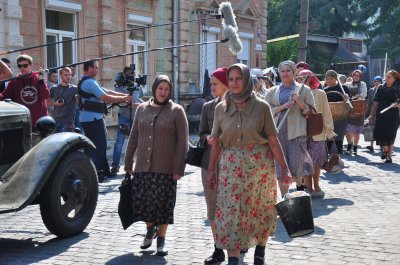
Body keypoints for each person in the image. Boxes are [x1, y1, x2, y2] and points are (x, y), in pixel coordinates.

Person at [207, 63, 291, 265]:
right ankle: (233, 260)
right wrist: (211, 170)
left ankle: (260, 250)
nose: (235, 83)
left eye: (239, 78)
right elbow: (217, 142)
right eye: (231, 79)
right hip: (229, 168)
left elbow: (272, 140)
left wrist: (284, 168)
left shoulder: (261, 106)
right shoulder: (221, 108)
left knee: (260, 208)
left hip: (259, 168)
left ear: (246, 80)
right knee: (230, 212)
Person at [124, 75, 188, 256]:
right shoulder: (142, 109)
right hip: (142, 167)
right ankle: (150, 228)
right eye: (160, 88)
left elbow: (182, 142)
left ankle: (161, 240)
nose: (163, 92)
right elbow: (134, 136)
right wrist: (128, 161)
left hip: (166, 168)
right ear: (154, 89)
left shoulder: (177, 111)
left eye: (167, 89)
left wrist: (178, 169)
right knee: (144, 204)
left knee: (164, 206)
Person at [264, 60, 315, 196]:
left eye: (288, 70)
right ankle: (285, 198)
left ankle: (299, 189)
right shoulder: (272, 91)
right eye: (282, 71)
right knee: (281, 167)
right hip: (278, 133)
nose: (285, 73)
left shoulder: (304, 89)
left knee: (296, 166)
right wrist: (281, 108)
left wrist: (299, 102)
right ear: (279, 73)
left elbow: (311, 112)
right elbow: (265, 110)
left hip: (296, 133)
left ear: (294, 72)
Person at [78, 59, 132, 182]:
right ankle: (95, 174)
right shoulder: (89, 83)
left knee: (100, 145)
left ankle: (105, 172)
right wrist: (124, 98)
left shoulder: (90, 82)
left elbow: (107, 91)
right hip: (92, 120)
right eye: (96, 67)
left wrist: (123, 97)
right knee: (99, 147)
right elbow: (105, 97)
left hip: (93, 118)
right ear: (90, 68)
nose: (98, 70)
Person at [198, 67, 229, 264]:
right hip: (209, 163)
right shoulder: (207, 107)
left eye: (215, 83)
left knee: (232, 205)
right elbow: (200, 133)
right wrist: (206, 138)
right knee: (212, 206)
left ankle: (237, 242)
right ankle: (218, 248)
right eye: (210, 84)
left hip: (232, 162)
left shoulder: (238, 106)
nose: (211, 87)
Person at [297, 69, 336, 198]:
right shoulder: (296, 94)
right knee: (306, 163)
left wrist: (329, 131)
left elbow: (326, 113)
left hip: (318, 132)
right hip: (302, 133)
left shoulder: (320, 93)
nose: (303, 81)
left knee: (317, 162)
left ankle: (317, 185)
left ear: (311, 79)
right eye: (300, 78)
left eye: (306, 78)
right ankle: (309, 188)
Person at [0, 54, 50, 128]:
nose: (22, 68)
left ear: (31, 65)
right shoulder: (14, 81)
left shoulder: (38, 78)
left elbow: (45, 95)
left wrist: (41, 80)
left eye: (25, 65)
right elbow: (4, 97)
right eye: (19, 66)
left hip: (40, 121)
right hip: (23, 122)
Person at [110, 66, 143, 175]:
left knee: (138, 141)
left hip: (135, 117)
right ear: (124, 75)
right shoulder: (119, 87)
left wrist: (136, 103)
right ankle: (115, 165)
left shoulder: (136, 86)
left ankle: (138, 165)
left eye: (133, 73)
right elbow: (119, 101)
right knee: (120, 141)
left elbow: (137, 100)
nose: (131, 75)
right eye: (129, 73)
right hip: (124, 116)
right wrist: (130, 101)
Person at [368, 70, 400, 163]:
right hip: (381, 113)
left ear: (394, 78)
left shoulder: (398, 88)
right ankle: (385, 149)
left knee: (391, 135)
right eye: (386, 76)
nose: (386, 78)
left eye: (389, 77)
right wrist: (372, 114)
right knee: (379, 132)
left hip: (393, 114)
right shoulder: (381, 87)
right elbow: (375, 101)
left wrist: (398, 105)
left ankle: (389, 156)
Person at [323, 70, 350, 154]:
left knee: (338, 139)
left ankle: (337, 159)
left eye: (331, 78)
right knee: (329, 140)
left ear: (335, 79)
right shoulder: (325, 90)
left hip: (340, 118)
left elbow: (349, 103)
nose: (329, 81)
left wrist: (346, 98)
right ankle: (330, 160)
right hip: (328, 118)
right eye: (327, 79)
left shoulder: (343, 88)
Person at [47, 67, 78, 132]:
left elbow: (80, 102)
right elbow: (46, 103)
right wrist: (55, 103)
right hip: (55, 121)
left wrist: (78, 99)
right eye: (66, 75)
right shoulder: (54, 88)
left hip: (68, 122)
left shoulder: (75, 89)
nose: (68, 77)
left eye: (69, 75)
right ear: (61, 75)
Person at [344, 70, 367, 155]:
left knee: (357, 130)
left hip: (359, 109)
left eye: (358, 75)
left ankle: (355, 147)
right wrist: (352, 97)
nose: (356, 77)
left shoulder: (363, 84)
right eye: (354, 75)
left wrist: (356, 97)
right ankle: (350, 144)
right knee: (347, 129)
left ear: (360, 77)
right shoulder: (347, 84)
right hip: (349, 109)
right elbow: (344, 95)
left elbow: (363, 95)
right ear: (352, 76)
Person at [365, 76, 383, 152]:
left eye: (378, 81)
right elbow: (369, 101)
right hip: (372, 111)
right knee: (371, 128)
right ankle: (371, 145)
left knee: (381, 128)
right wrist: (367, 112)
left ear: (381, 82)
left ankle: (382, 145)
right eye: (375, 81)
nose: (376, 83)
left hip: (380, 111)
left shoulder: (383, 89)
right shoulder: (371, 90)